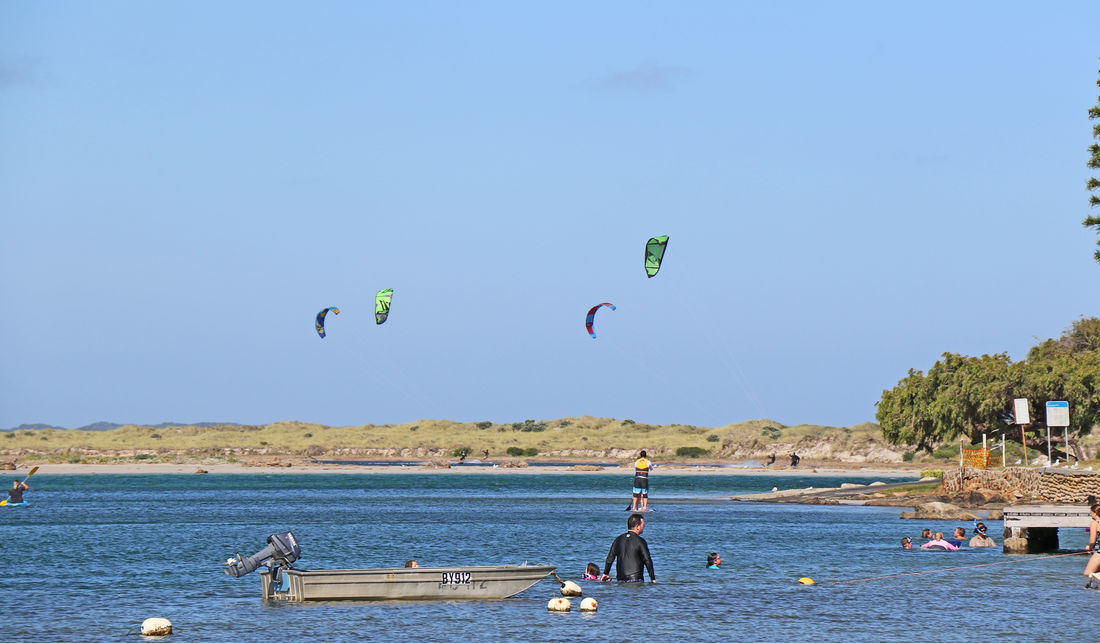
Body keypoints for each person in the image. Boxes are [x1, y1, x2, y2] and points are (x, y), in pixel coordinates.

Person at [601, 513, 656, 583]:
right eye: (643, 525)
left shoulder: (618, 539)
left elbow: (610, 558)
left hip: (621, 579)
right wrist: (652, 578)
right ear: (637, 526)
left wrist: (605, 573)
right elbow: (647, 560)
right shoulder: (640, 541)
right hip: (636, 579)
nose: (644, 527)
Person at [1083, 504, 1100, 579]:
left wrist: (1089, 547)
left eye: (1091, 513)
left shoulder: (1094, 523)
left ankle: (1092, 589)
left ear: (1095, 513)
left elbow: (1092, 541)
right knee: (1096, 574)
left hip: (1099, 553)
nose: (1090, 514)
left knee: (1087, 574)